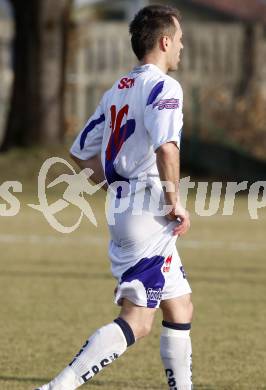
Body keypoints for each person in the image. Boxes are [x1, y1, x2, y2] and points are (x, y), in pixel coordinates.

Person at [36, 4, 193, 390]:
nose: (182, 50)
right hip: (150, 212)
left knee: (181, 305)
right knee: (138, 322)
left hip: (126, 206)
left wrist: (115, 185)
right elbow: (166, 148)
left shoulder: (118, 89)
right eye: (180, 41)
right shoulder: (164, 87)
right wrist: (174, 201)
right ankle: (59, 387)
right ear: (165, 40)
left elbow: (79, 152)